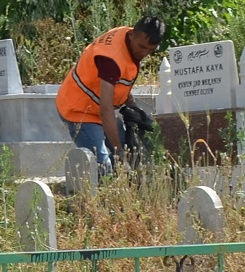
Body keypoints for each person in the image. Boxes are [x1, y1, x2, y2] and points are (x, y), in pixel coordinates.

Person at [54, 15, 164, 179]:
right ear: (132, 34)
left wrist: (132, 106)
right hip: (78, 110)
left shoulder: (129, 37)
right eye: (142, 47)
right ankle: (96, 200)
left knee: (130, 151)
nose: (145, 53)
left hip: (97, 109)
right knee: (103, 167)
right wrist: (119, 153)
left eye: (151, 49)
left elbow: (122, 80)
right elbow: (106, 109)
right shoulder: (110, 59)